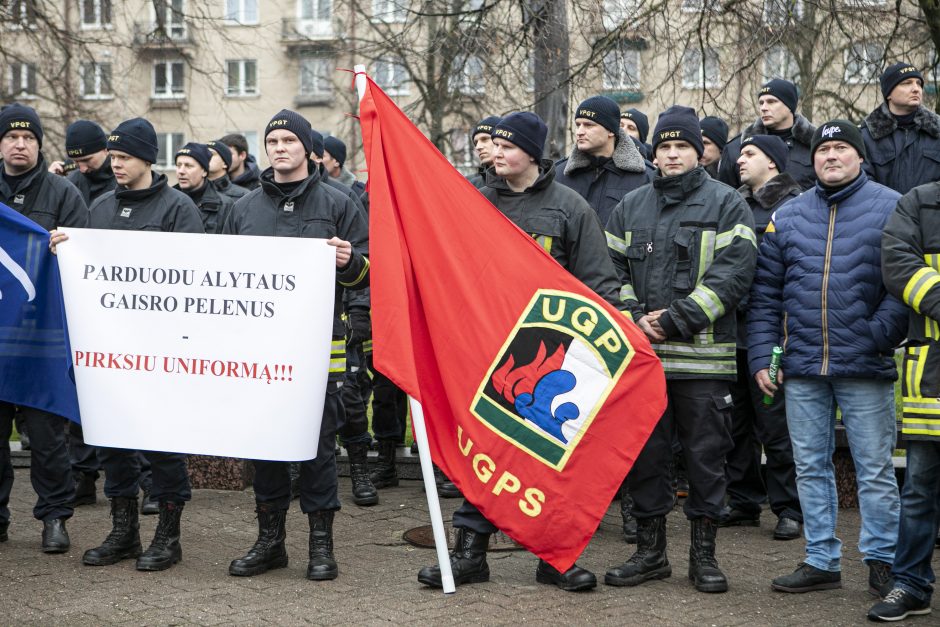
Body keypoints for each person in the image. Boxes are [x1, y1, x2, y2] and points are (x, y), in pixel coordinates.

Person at [418, 111, 624, 593]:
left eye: (508, 147)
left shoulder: (570, 207)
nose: (496, 154)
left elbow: (597, 281)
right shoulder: (472, 201)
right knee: (481, 451)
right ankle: (470, 553)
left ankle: (555, 557)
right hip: (481, 350)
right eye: (495, 147)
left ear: (531, 152)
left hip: (549, 356)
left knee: (549, 454)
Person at [747, 120, 906, 596]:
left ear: (859, 156)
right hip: (801, 368)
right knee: (809, 465)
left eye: (841, 148)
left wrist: (878, 334)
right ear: (811, 159)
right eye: (823, 150)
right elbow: (765, 297)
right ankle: (821, 559)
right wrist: (761, 357)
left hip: (865, 365)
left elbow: (901, 286)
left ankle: (881, 561)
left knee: (874, 468)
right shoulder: (788, 215)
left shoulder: (891, 207)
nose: (830, 156)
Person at [604, 106, 757, 594]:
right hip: (643, 361)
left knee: (706, 460)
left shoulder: (728, 203)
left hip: (703, 362)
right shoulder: (630, 206)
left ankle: (703, 557)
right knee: (645, 460)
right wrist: (632, 318)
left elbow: (733, 276)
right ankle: (650, 554)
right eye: (665, 147)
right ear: (655, 152)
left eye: (682, 147)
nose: (672, 154)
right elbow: (609, 275)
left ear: (698, 152)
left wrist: (674, 321)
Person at [51, 117, 205, 572]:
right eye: (113, 157)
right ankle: (123, 532)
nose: (115, 165)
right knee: (113, 441)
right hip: (110, 349)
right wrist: (65, 250)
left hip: (161, 350)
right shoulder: (97, 207)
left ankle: (168, 537)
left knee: (161, 444)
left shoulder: (179, 209)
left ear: (146, 159)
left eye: (124, 157)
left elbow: (194, 277)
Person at [223, 109, 369, 582]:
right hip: (260, 353)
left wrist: (350, 262)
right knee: (264, 444)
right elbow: (221, 276)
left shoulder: (340, 202)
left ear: (308, 148)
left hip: (318, 351)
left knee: (318, 447)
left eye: (289, 140)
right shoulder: (242, 209)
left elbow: (371, 271)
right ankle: (270, 543)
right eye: (273, 140)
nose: (280, 147)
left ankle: (320, 545)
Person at [0, 103, 85, 554]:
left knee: (48, 436)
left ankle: (55, 517)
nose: (20, 144)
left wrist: (66, 248)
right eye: (12, 137)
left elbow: (87, 255)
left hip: (43, 336)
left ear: (39, 144)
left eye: (28, 138)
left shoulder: (62, 193)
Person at [720, 135, 802, 540]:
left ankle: (789, 508)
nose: (740, 159)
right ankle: (744, 500)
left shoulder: (792, 206)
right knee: (735, 424)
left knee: (775, 423)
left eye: (750, 154)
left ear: (773, 163)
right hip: (731, 330)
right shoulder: (733, 204)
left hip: (770, 330)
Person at [866, 178, 940, 621]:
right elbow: (896, 262)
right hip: (932, 378)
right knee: (918, 492)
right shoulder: (921, 201)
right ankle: (911, 584)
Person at [554, 95, 652, 226]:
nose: (579, 132)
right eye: (578, 125)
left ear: (611, 131)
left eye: (588, 125)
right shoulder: (559, 174)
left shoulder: (644, 176)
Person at [718, 79, 816, 190]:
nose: (763, 108)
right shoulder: (735, 149)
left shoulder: (815, 146)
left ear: (790, 106)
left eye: (771, 101)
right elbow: (724, 198)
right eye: (761, 103)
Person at [861, 62, 940, 195]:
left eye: (918, 83)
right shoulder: (867, 135)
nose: (916, 89)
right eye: (907, 83)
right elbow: (863, 184)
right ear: (889, 94)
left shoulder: (936, 131)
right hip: (885, 214)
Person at [174, 142, 234, 234]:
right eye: (178, 165)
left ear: (204, 172)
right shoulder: (167, 202)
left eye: (188, 166)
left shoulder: (224, 205)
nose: (181, 171)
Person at [467, 115, 500, 188]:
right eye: (476, 142)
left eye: (484, 139)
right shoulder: (469, 184)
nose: (478, 147)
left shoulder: (520, 181)